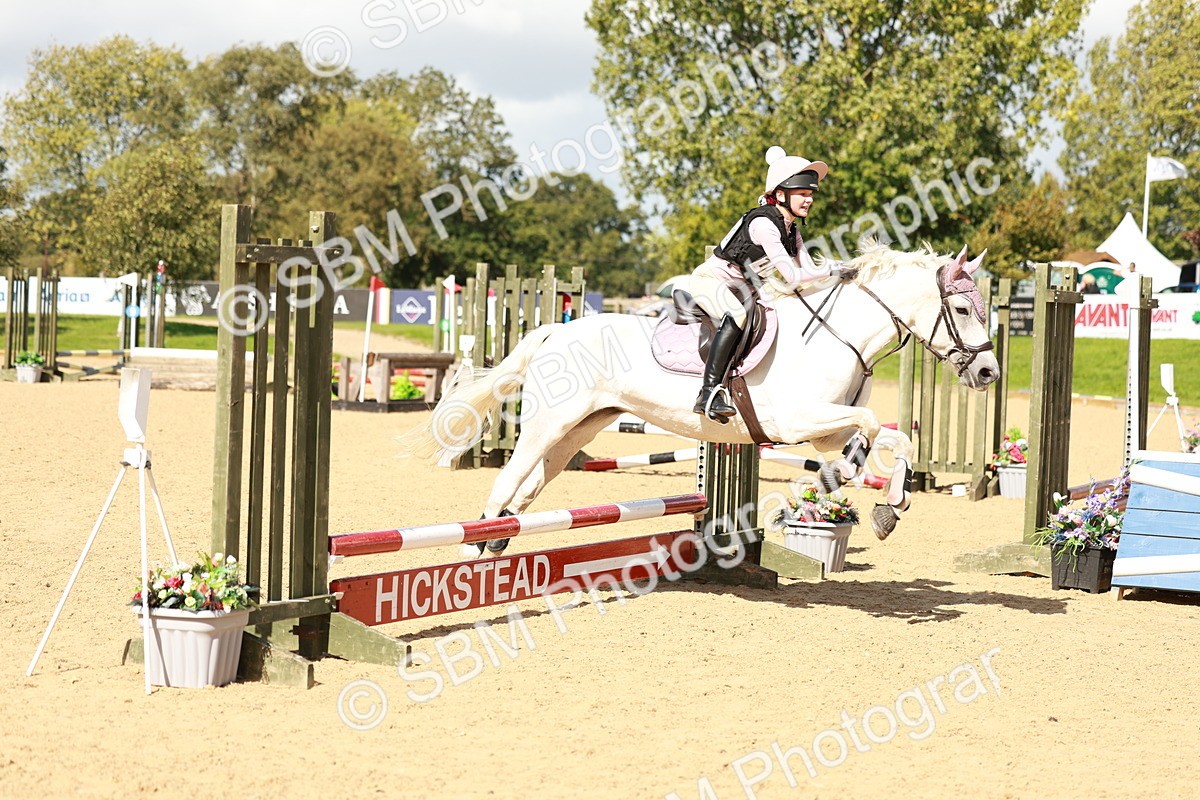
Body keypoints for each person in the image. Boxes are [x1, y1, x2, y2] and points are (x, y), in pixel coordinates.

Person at [688, 145, 849, 421]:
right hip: (711, 281)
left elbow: (807, 270)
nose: (809, 200)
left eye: (810, 194)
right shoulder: (764, 225)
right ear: (780, 194)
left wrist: (837, 274)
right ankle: (709, 392)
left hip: (746, 288)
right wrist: (832, 268)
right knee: (737, 315)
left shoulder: (791, 231)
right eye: (802, 194)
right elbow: (793, 277)